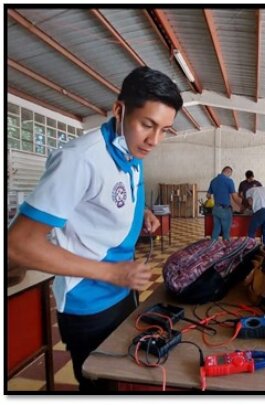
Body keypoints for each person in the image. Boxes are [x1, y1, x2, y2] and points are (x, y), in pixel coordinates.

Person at [8, 66, 183, 391]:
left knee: (125, 377)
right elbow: (18, 245)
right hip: (88, 303)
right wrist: (111, 273)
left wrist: (141, 211)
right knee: (100, 388)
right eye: (147, 124)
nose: (154, 140)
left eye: (164, 130)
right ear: (119, 110)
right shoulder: (79, 159)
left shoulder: (131, 151)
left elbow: (107, 197)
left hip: (122, 292)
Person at [207, 166, 242, 241]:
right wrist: (242, 205)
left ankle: (213, 247)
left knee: (216, 229)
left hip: (216, 209)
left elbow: (208, 195)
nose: (230, 176)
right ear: (228, 172)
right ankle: (226, 249)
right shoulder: (229, 181)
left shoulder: (213, 181)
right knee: (226, 231)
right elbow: (234, 197)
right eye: (230, 174)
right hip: (225, 210)